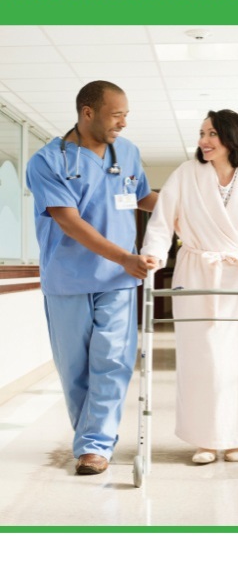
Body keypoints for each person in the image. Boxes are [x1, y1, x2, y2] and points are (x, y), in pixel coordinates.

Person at [141, 109, 238, 464]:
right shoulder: (186, 174)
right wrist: (152, 254)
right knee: (203, 357)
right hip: (198, 273)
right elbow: (162, 221)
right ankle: (206, 439)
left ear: (232, 138)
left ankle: (237, 437)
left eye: (211, 134)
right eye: (201, 133)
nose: (203, 141)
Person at [26, 80, 158, 475]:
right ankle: (89, 438)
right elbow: (68, 221)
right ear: (88, 113)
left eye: (126, 115)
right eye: (116, 115)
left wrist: (193, 210)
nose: (123, 123)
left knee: (114, 361)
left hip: (118, 281)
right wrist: (123, 256)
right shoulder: (47, 161)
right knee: (76, 368)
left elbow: (144, 198)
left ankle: (94, 446)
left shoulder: (127, 152)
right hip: (68, 278)